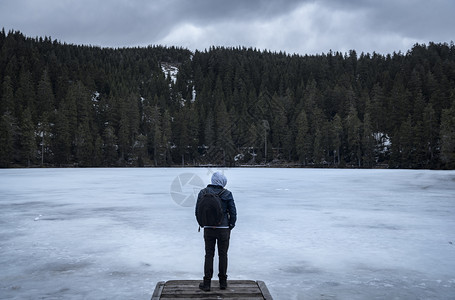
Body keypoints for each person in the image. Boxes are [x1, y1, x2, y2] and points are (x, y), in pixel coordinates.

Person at [195, 171, 237, 291]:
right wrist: (231, 225)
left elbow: (198, 210)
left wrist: (202, 224)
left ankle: (207, 283)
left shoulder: (203, 192)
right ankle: (223, 283)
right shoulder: (227, 193)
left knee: (209, 254)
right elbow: (233, 212)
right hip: (223, 229)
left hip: (208, 228)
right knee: (223, 254)